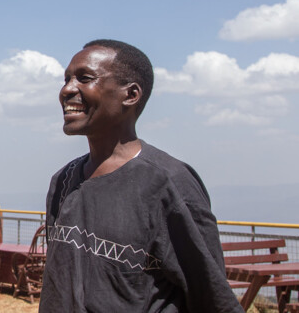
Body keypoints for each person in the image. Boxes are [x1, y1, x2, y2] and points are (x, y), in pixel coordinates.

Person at [39, 40, 242, 312]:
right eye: (66, 80)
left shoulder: (168, 183)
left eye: (84, 78)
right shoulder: (63, 182)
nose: (67, 89)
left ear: (131, 95)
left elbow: (211, 296)